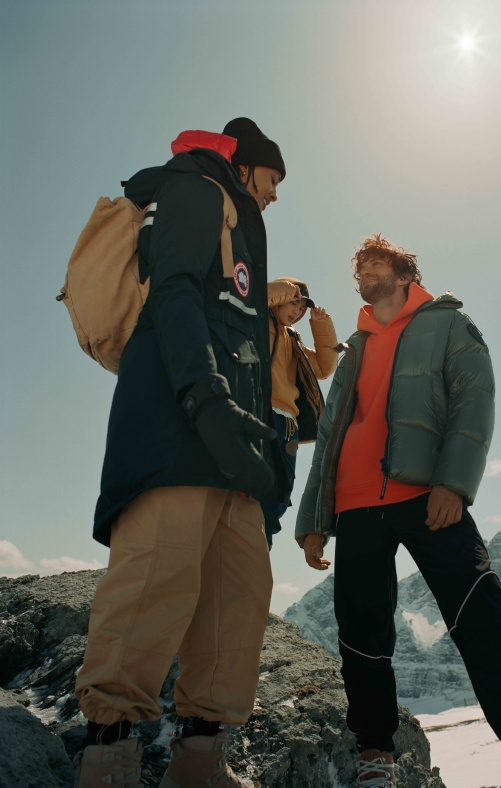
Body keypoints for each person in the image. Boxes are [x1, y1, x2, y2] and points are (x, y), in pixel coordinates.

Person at [295, 235, 501, 788]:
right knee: (361, 633)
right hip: (355, 505)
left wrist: (454, 483)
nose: (364, 275)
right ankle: (374, 755)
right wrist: (314, 521)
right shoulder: (355, 348)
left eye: (376, 265)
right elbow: (329, 435)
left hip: (428, 496)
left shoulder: (448, 323)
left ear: (405, 275)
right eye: (359, 270)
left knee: (482, 612)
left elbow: (474, 398)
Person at [74, 118, 287, 788]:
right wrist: (205, 397)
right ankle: (108, 758)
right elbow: (174, 291)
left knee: (237, 598)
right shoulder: (196, 188)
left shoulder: (242, 225)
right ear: (245, 164)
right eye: (273, 177)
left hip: (232, 445)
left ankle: (199, 761)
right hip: (175, 424)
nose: (276, 193)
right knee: (153, 583)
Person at [262, 277, 338, 547]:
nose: (297, 311)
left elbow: (325, 368)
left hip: (288, 426)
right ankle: (249, 539)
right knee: (253, 487)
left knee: (281, 490)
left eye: (302, 308)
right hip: (260, 415)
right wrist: (285, 289)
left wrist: (320, 324)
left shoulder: (293, 338)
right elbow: (255, 299)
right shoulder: (256, 321)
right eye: (293, 303)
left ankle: (261, 542)